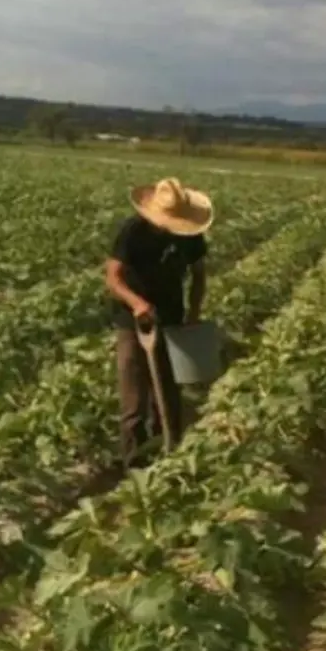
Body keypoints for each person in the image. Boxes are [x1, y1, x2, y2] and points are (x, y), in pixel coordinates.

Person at [104, 177, 212, 468]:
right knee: (134, 395)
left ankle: (170, 453)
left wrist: (193, 313)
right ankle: (133, 461)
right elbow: (113, 277)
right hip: (132, 319)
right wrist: (138, 304)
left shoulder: (189, 235)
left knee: (167, 389)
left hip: (171, 315)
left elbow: (199, 274)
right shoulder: (133, 231)